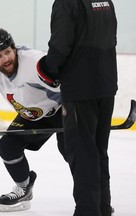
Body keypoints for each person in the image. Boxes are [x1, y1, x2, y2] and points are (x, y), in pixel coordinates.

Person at [0, 28, 65, 212]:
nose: (5, 59)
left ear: (14, 49)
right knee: (7, 147)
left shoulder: (34, 61)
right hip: (32, 115)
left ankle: (92, 195)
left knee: (71, 150)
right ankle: (24, 187)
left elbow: (66, 84)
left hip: (61, 109)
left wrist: (77, 112)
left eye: (8, 52)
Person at [37, 0, 118, 215]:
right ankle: (102, 207)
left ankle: (87, 210)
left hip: (80, 88)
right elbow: (112, 38)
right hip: (106, 84)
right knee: (98, 149)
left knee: (82, 153)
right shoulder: (106, 1)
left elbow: (60, 44)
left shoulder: (65, 2)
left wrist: (48, 68)